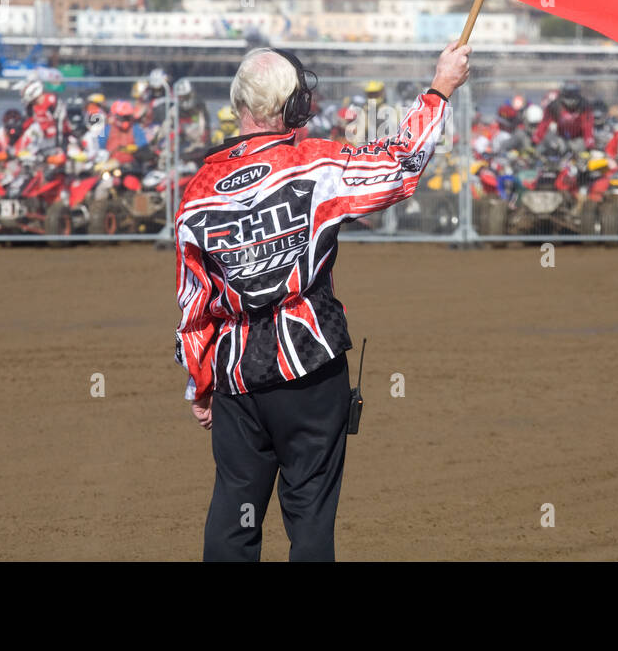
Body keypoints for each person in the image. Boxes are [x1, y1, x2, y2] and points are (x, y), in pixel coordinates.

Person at [176, 41, 470, 562]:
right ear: (293, 107)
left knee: (232, 514)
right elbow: (401, 165)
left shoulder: (198, 190)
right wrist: (440, 88)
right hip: (310, 366)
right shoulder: (316, 164)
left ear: (238, 104)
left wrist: (200, 384)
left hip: (236, 377)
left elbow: (194, 303)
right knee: (309, 513)